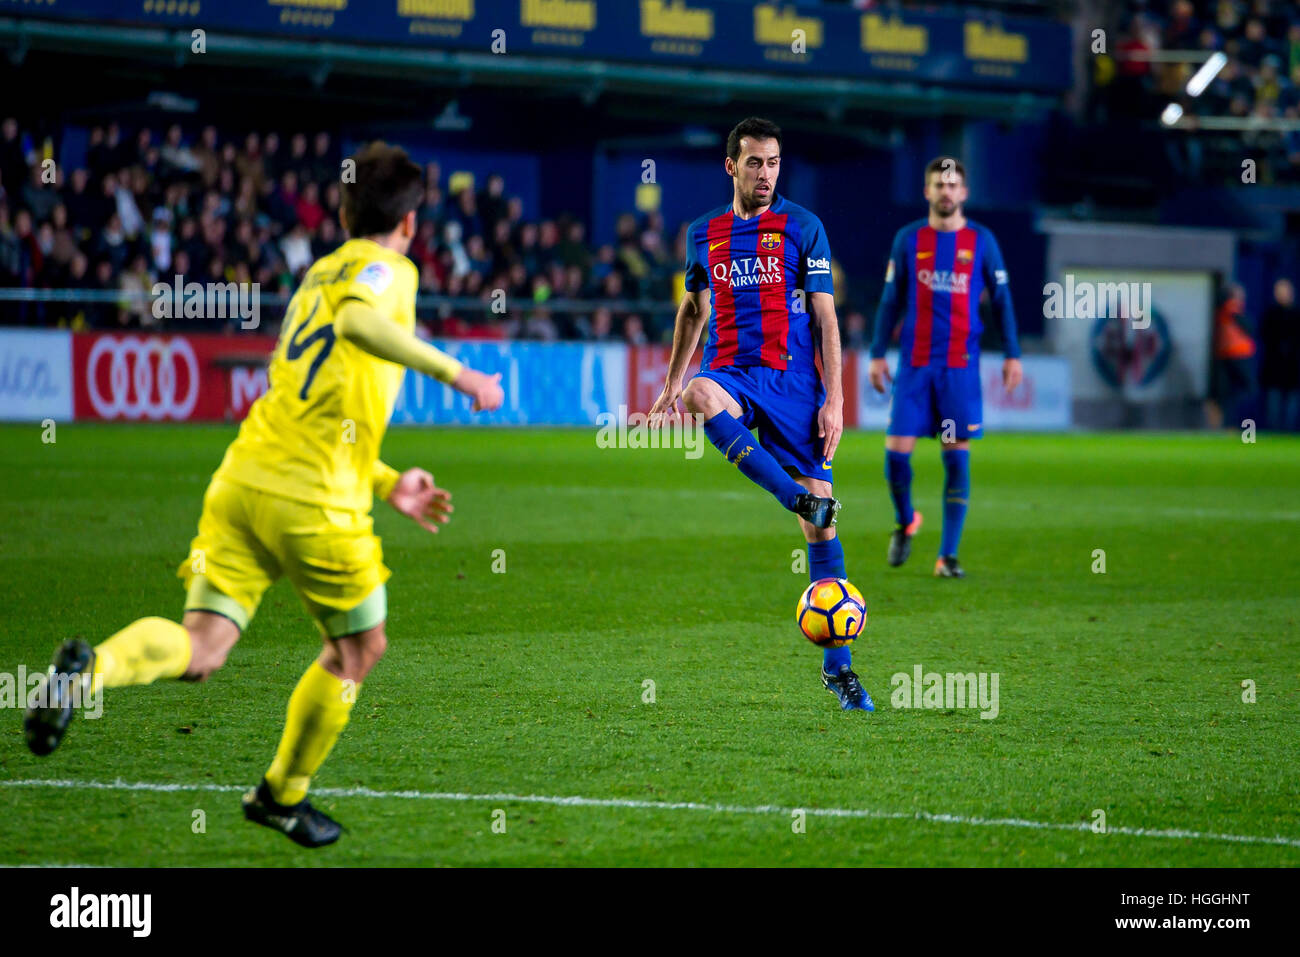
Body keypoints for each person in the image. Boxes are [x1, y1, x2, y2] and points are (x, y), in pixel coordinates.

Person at [23, 142, 506, 847]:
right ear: (408, 224)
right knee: (358, 648)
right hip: (313, 505)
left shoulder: (316, 272)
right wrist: (459, 374)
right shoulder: (389, 269)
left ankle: (91, 671)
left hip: (245, 479)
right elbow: (358, 324)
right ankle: (281, 794)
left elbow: (317, 399)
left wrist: (385, 480)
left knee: (201, 645)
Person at [648, 117, 870, 712]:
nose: (766, 173)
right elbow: (693, 310)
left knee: (822, 528)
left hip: (797, 385)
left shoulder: (804, 227)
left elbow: (827, 319)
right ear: (732, 166)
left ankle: (839, 670)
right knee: (700, 394)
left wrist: (836, 398)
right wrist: (671, 383)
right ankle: (789, 495)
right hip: (734, 374)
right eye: (754, 162)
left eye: (773, 163)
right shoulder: (704, 234)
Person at [869, 157, 1022, 579]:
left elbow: (1003, 301)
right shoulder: (908, 239)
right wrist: (878, 352)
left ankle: (947, 556)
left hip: (958, 371)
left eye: (953, 185)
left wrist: (1013, 354)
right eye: (939, 184)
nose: (946, 191)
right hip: (916, 368)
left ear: (964, 192)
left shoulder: (983, 242)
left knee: (955, 459)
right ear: (927, 191)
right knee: (895, 458)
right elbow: (889, 301)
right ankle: (906, 521)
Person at [1259, 277, 1300, 431]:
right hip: (1274, 366)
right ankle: (1273, 430)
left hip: (1293, 366)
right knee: (1273, 400)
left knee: (1292, 401)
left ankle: (1288, 431)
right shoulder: (1270, 314)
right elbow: (1264, 335)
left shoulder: (1296, 314)